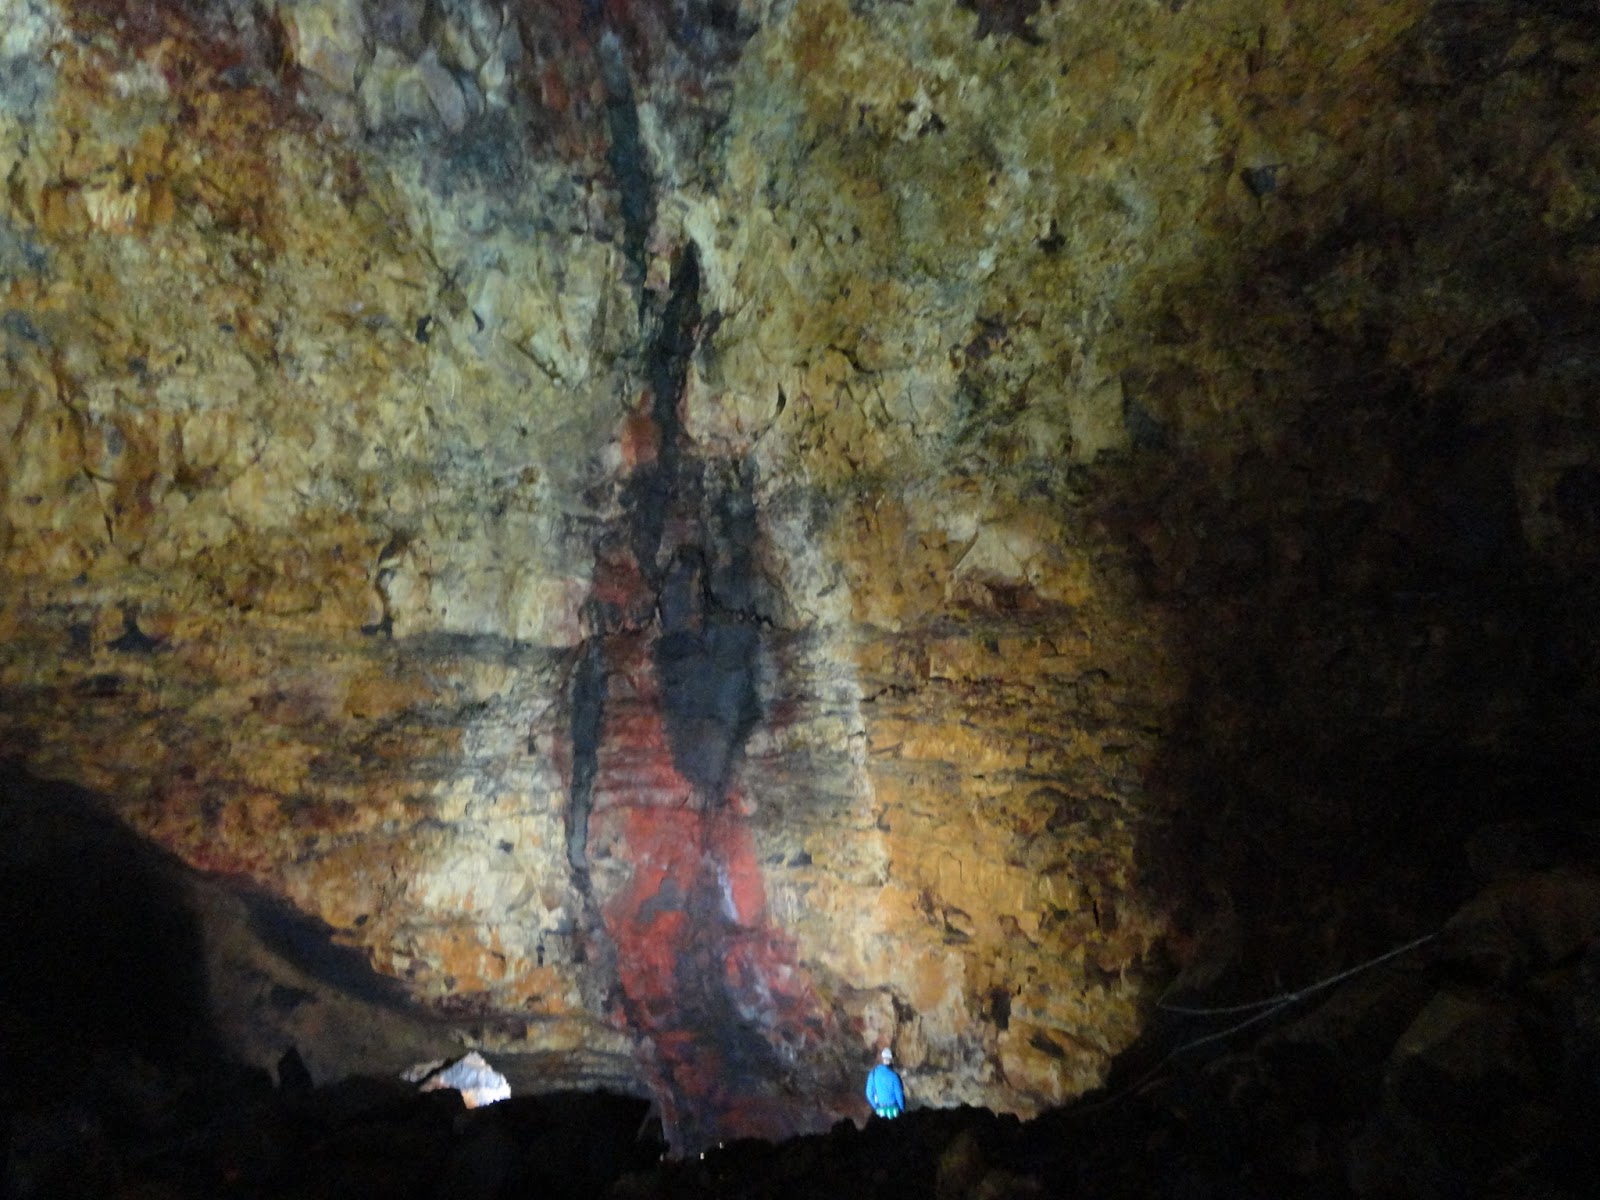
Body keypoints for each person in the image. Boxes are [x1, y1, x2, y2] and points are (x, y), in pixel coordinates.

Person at [865, 1047, 905, 1118]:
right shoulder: (894, 1076)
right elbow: (899, 1095)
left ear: (882, 1058)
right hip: (894, 1111)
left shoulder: (873, 1074)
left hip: (881, 1111)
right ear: (891, 1060)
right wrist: (902, 1110)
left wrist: (876, 1107)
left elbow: (869, 1094)